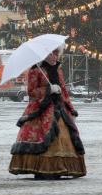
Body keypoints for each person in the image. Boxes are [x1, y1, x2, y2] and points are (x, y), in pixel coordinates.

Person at [9, 46, 86, 180]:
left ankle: (63, 167)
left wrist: (70, 108)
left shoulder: (58, 69)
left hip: (59, 107)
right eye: (50, 54)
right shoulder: (35, 70)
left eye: (55, 53)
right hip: (42, 109)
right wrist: (48, 89)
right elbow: (31, 92)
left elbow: (64, 90)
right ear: (44, 55)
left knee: (66, 135)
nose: (53, 57)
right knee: (42, 137)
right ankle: (42, 169)